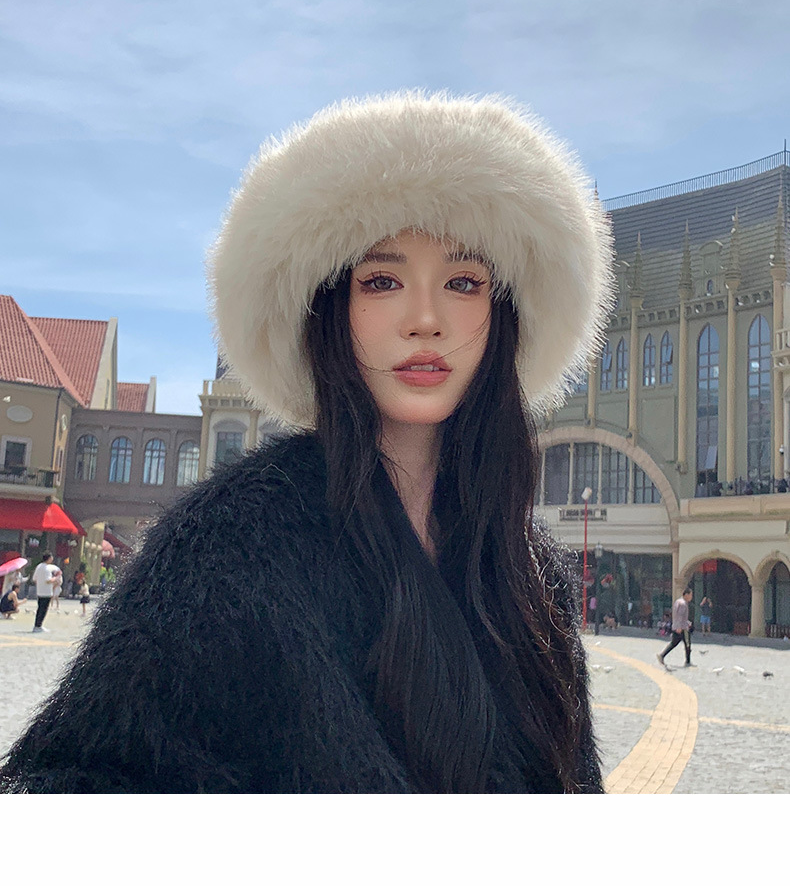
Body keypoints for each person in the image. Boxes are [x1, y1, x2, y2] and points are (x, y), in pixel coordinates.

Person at [0, 92, 614, 793]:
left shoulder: (531, 569)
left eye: (463, 281)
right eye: (382, 280)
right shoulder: (229, 542)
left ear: (501, 312)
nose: (425, 318)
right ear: (330, 305)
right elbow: (67, 780)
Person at [657, 588, 694, 668]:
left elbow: (677, 615)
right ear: (686, 595)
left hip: (676, 626)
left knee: (674, 643)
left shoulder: (678, 601)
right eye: (690, 595)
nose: (691, 597)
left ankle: (662, 655)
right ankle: (688, 661)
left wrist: (685, 623)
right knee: (687, 643)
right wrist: (680, 626)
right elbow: (680, 616)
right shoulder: (683, 604)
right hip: (682, 628)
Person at [30, 553, 60, 634]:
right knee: (43, 610)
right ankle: (38, 626)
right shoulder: (47, 568)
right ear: (49, 558)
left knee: (39, 609)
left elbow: (34, 579)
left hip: (39, 591)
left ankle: (37, 625)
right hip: (46, 592)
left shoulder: (39, 566)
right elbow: (48, 580)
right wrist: (55, 578)